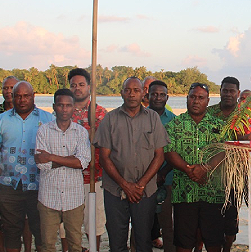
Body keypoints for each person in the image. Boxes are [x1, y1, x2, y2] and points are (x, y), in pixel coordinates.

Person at [93, 77, 169, 252]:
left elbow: (159, 156)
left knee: (143, 240)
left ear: (144, 93)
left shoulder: (153, 119)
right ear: (121, 93)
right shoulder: (110, 119)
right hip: (115, 190)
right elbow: (104, 158)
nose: (132, 94)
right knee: (116, 240)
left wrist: (140, 185)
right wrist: (125, 185)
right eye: (127, 90)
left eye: (136, 90)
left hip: (145, 191)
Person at [0, 81, 54, 252]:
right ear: (12, 97)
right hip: (9, 187)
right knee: (11, 234)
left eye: (26, 96)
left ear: (33, 96)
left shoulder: (48, 119)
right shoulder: (0, 120)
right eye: (18, 96)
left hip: (40, 187)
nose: (22, 100)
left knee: (43, 234)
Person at [164, 82, 228, 252]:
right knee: (183, 242)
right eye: (192, 97)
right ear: (187, 99)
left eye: (201, 98)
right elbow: (169, 152)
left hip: (213, 193)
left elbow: (225, 151)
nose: (196, 101)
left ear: (208, 101)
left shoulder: (220, 126)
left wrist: (205, 168)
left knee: (214, 242)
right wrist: (189, 170)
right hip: (184, 192)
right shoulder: (174, 125)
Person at [0, 76, 34, 252]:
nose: (9, 92)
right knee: (5, 223)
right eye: (6, 88)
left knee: (30, 224)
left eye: (13, 89)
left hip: (35, 183)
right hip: (5, 180)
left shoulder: (44, 118)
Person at [35, 89, 91, 252]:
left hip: (73, 198)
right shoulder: (43, 131)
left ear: (73, 107)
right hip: (48, 197)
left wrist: (52, 157)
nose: (64, 109)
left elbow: (82, 163)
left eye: (68, 105)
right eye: (60, 105)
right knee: (47, 244)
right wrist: (70, 159)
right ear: (54, 106)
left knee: (75, 243)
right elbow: (41, 164)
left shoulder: (80, 132)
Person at [68, 68, 108, 251]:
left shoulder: (100, 113)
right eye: (73, 85)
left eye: (81, 85)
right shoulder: (63, 112)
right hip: (68, 178)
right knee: (68, 225)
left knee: (94, 223)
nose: (77, 89)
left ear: (89, 87)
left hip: (94, 178)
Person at [206, 76, 241, 252]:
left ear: (238, 93)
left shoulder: (244, 116)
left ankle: (227, 248)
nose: (228, 94)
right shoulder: (209, 113)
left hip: (235, 180)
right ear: (220, 92)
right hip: (210, 179)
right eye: (225, 90)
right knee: (209, 224)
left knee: (231, 226)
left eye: (231, 91)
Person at [148, 80, 176, 252]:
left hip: (167, 178)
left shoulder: (174, 121)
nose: (158, 97)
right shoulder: (140, 117)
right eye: (154, 94)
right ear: (147, 95)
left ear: (167, 97)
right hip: (143, 179)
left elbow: (176, 150)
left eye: (161, 94)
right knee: (140, 224)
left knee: (168, 225)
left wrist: (163, 173)